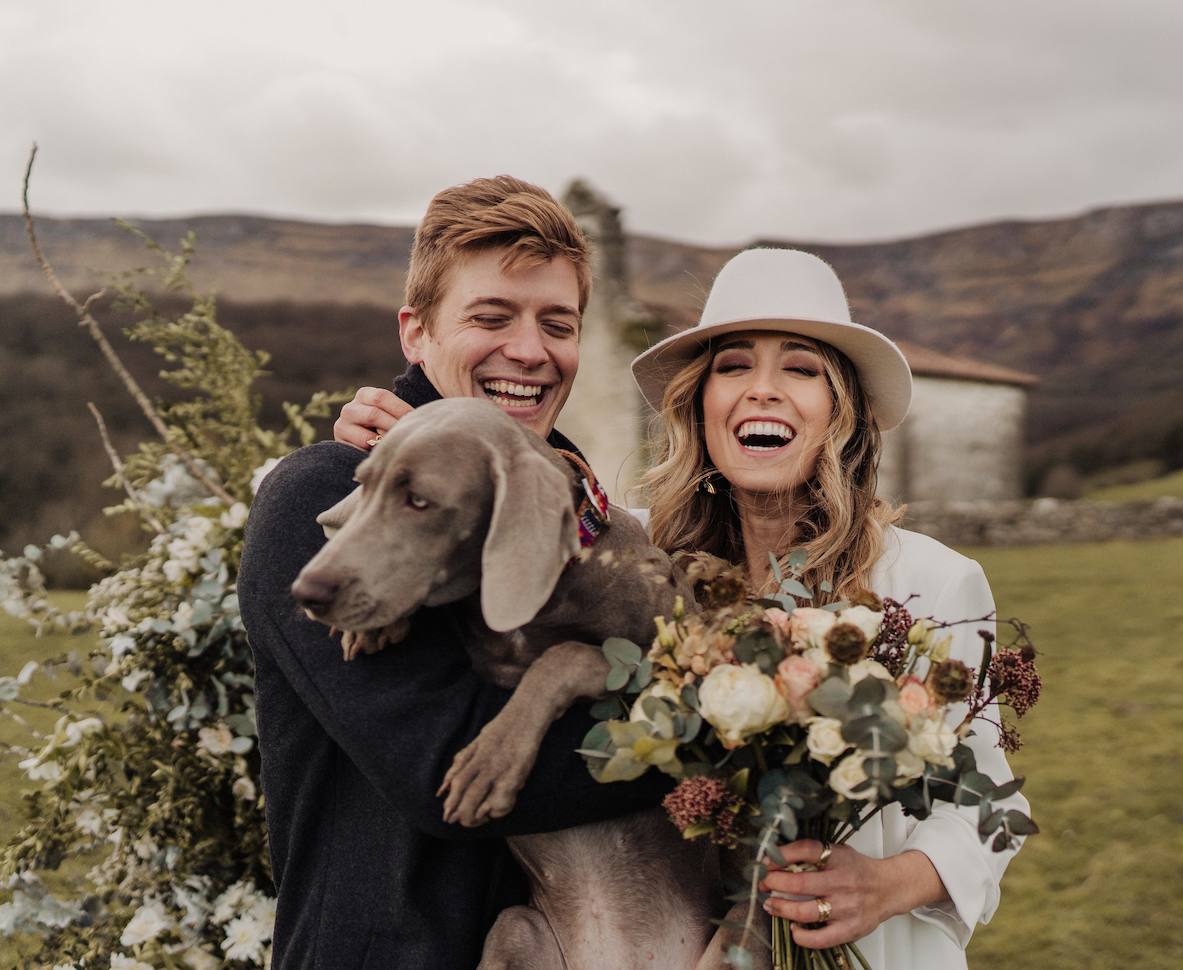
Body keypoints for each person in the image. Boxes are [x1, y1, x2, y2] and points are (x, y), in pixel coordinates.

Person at [337, 247, 1029, 968]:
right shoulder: (636, 553)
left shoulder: (931, 583)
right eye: (733, 367)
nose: (763, 390)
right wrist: (405, 446)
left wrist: (886, 885)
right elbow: (500, 541)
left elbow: (992, 808)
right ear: (699, 404)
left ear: (843, 411)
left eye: (801, 369)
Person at [237, 176, 668, 970]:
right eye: (491, 317)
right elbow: (445, 768)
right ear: (415, 332)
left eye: (557, 323)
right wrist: (746, 730)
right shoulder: (323, 496)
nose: (531, 350)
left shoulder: (574, 512)